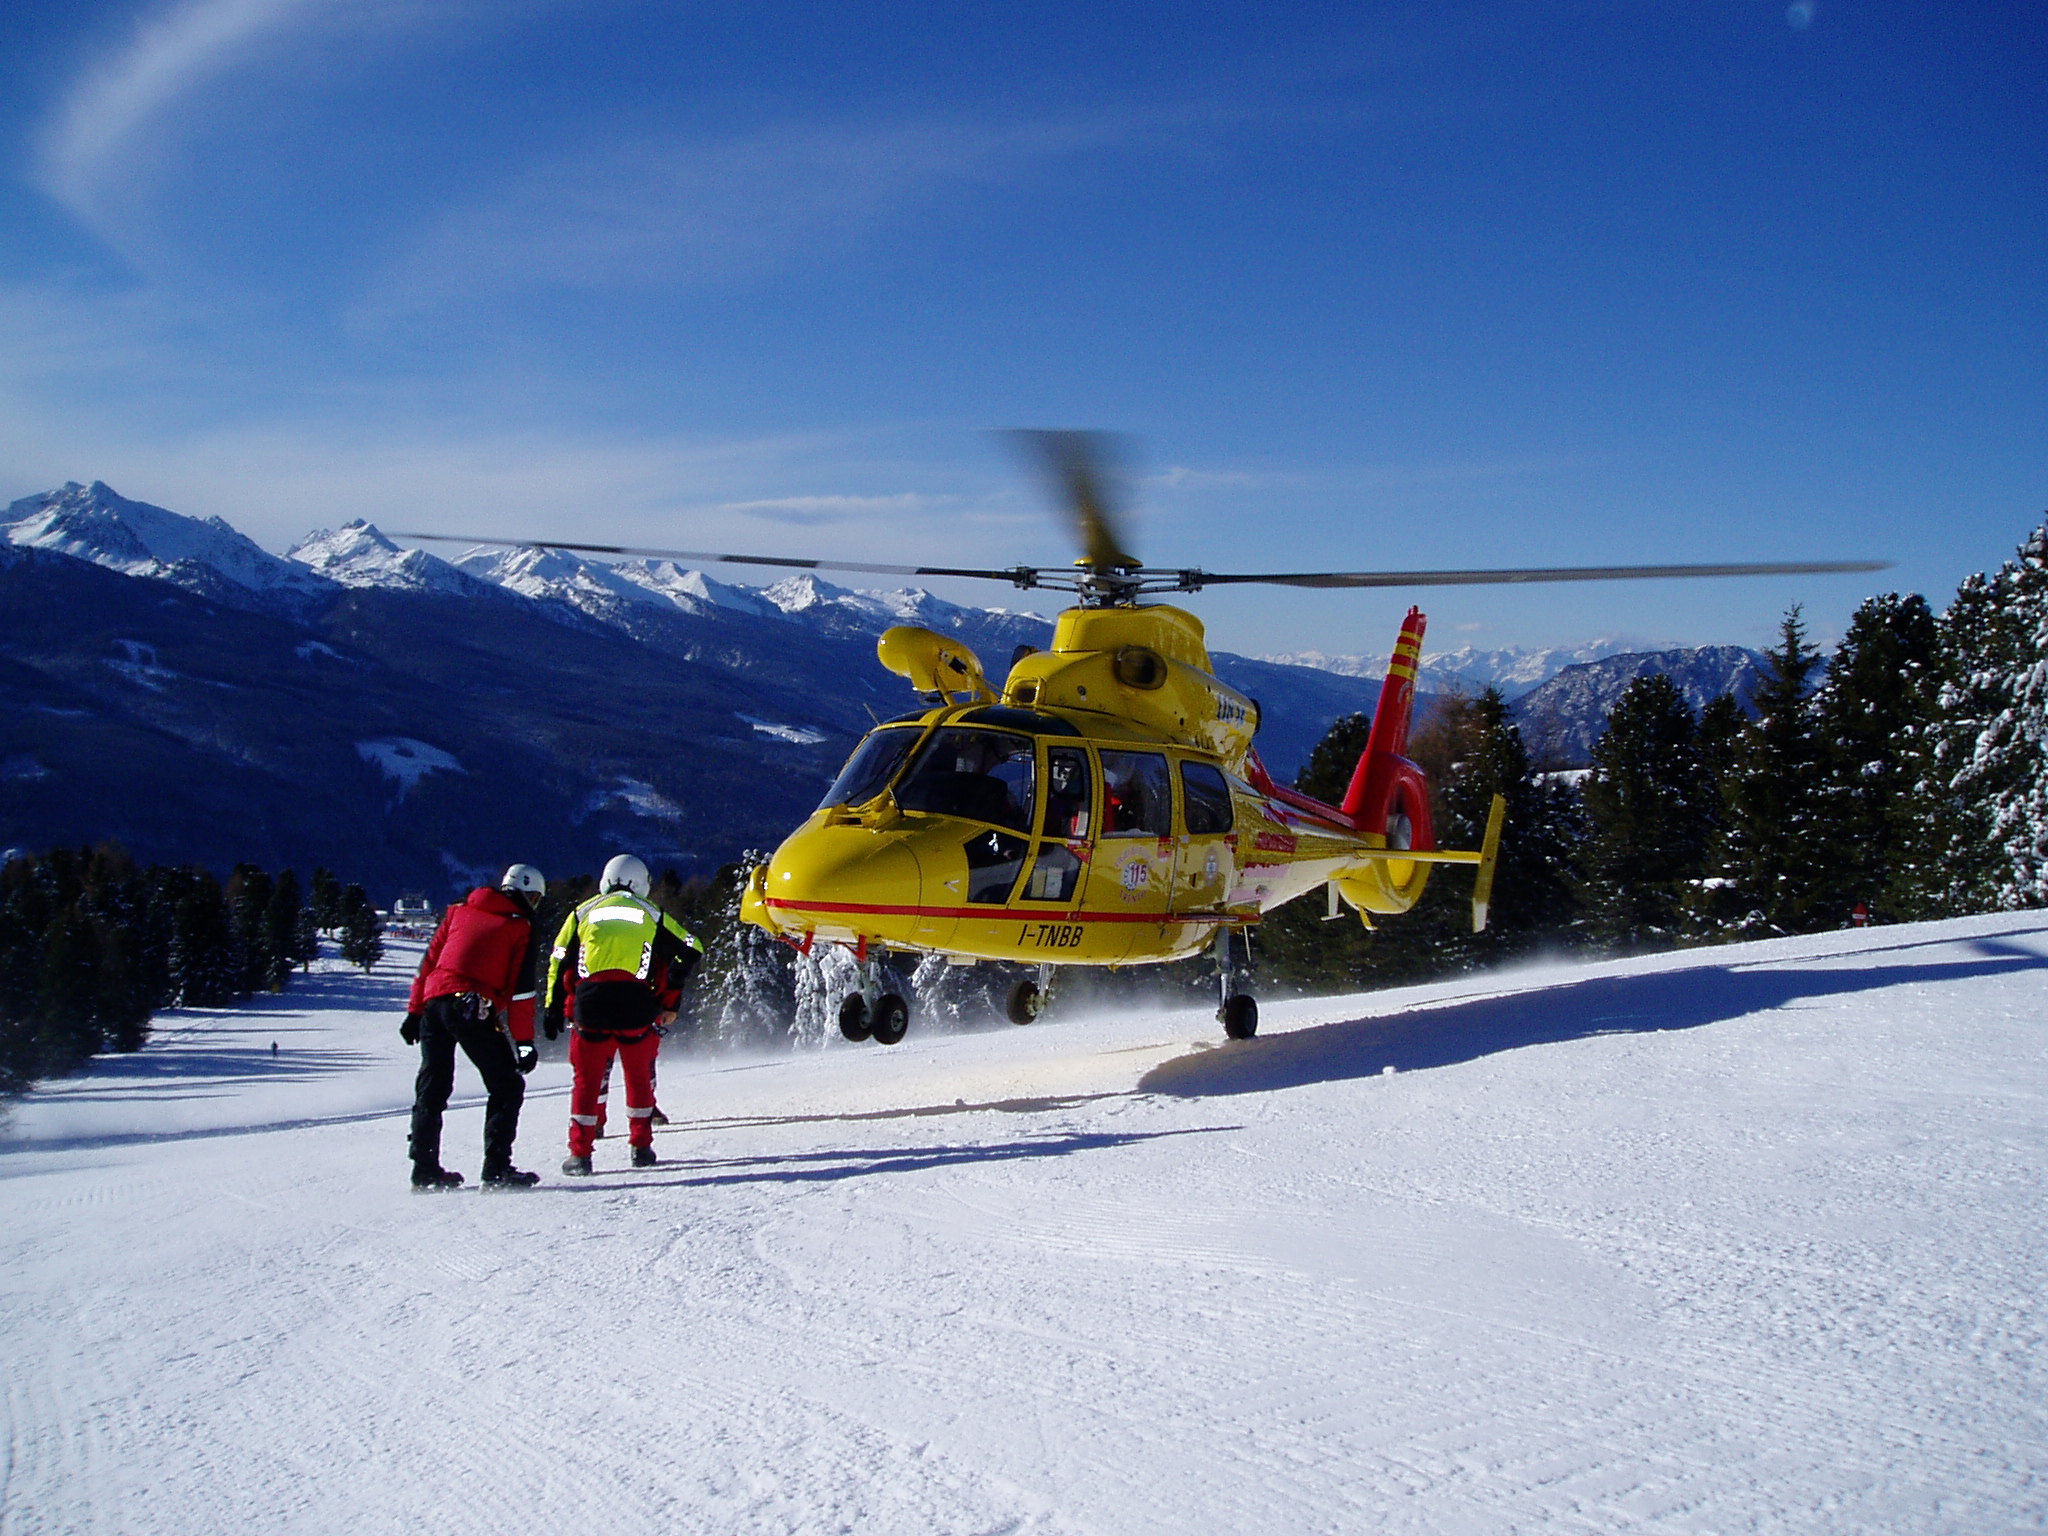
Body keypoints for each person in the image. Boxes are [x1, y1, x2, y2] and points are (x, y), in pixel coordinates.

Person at [545, 854, 702, 1175]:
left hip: (590, 1005)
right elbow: (692, 947)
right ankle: (641, 1147)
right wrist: (671, 995)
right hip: (636, 1004)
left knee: (586, 1082)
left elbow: (559, 959)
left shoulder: (582, 913)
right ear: (641, 882)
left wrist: (553, 1007)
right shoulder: (651, 912)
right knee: (638, 1077)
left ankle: (580, 1155)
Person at [401, 864, 547, 1190]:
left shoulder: (457, 912)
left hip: (433, 1005)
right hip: (469, 1004)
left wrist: (414, 1012)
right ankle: (496, 1170)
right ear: (530, 896)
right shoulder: (520, 926)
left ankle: (424, 1170)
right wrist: (524, 1043)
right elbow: (522, 991)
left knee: (432, 1087)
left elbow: (430, 962)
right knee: (507, 1086)